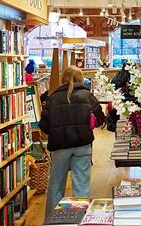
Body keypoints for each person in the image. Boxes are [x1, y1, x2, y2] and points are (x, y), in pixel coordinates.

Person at [40, 66, 105, 216]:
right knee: (81, 184)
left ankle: (52, 220)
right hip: (82, 144)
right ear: (80, 78)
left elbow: (44, 125)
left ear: (64, 78)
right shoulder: (87, 96)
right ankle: (80, 218)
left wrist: (57, 132)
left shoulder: (52, 98)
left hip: (60, 145)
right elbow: (100, 118)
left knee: (56, 183)